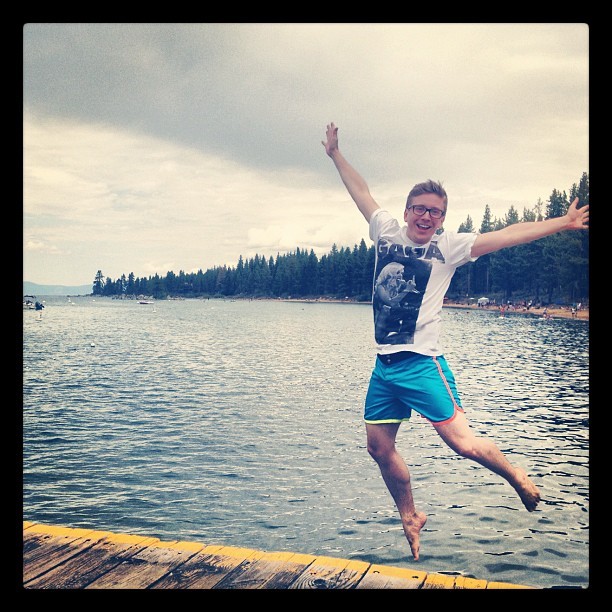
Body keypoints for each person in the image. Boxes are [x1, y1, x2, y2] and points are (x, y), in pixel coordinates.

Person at [321, 122, 589, 561]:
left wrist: (562, 223)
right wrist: (335, 155)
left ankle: (515, 475)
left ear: (443, 218)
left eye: (436, 212)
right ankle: (410, 515)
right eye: (421, 209)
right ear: (407, 211)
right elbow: (361, 191)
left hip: (421, 363)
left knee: (462, 444)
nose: (427, 217)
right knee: (378, 447)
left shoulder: (450, 247)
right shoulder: (385, 231)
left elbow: (507, 235)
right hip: (385, 366)